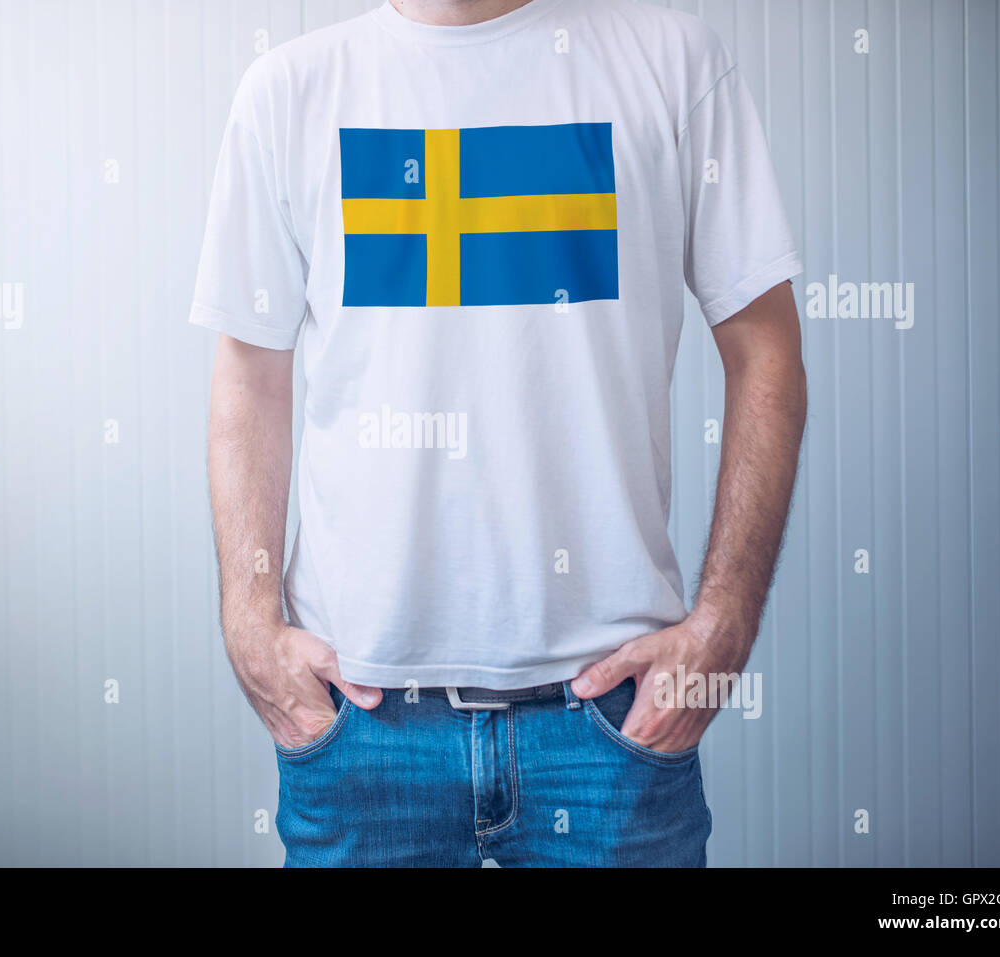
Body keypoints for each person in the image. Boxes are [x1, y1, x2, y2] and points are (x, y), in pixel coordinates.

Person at [192, 0, 807, 867]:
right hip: (362, 724)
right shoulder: (289, 91)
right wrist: (249, 623)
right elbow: (249, 378)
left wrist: (726, 622)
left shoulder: (673, 63)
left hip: (610, 729)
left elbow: (767, 348)